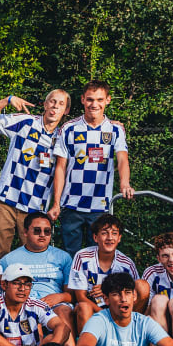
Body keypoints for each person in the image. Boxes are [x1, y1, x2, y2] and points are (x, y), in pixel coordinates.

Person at [48, 80, 134, 256]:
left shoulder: (116, 130)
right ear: (82, 100)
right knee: (69, 256)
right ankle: (70, 285)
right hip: (71, 205)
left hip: (100, 207)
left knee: (97, 256)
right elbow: (60, 167)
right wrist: (56, 203)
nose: (94, 104)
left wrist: (125, 183)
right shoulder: (69, 128)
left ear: (108, 100)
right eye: (90, 99)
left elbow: (122, 159)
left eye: (99, 99)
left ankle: (96, 285)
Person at [0, 89, 67, 254]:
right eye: (52, 101)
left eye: (61, 104)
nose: (55, 107)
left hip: (35, 208)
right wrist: (8, 99)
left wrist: (110, 123)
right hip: (5, 201)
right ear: (45, 104)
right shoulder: (25, 122)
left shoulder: (65, 137)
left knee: (33, 256)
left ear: (66, 110)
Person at [67, 213, 148, 332]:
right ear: (95, 237)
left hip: (119, 308)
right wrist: (106, 316)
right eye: (104, 233)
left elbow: (134, 295)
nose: (110, 238)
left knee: (142, 285)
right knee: (84, 307)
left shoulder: (126, 263)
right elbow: (80, 297)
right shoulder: (82, 257)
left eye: (114, 233)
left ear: (119, 238)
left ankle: (130, 329)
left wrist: (107, 289)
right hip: (92, 309)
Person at [0, 211, 75, 327]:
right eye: (37, 230)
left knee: (63, 312)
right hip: (23, 304)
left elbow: (73, 295)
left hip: (55, 304)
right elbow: (3, 290)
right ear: (25, 232)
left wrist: (60, 297)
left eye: (47, 231)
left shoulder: (63, 257)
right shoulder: (8, 260)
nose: (42, 235)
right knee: (28, 316)